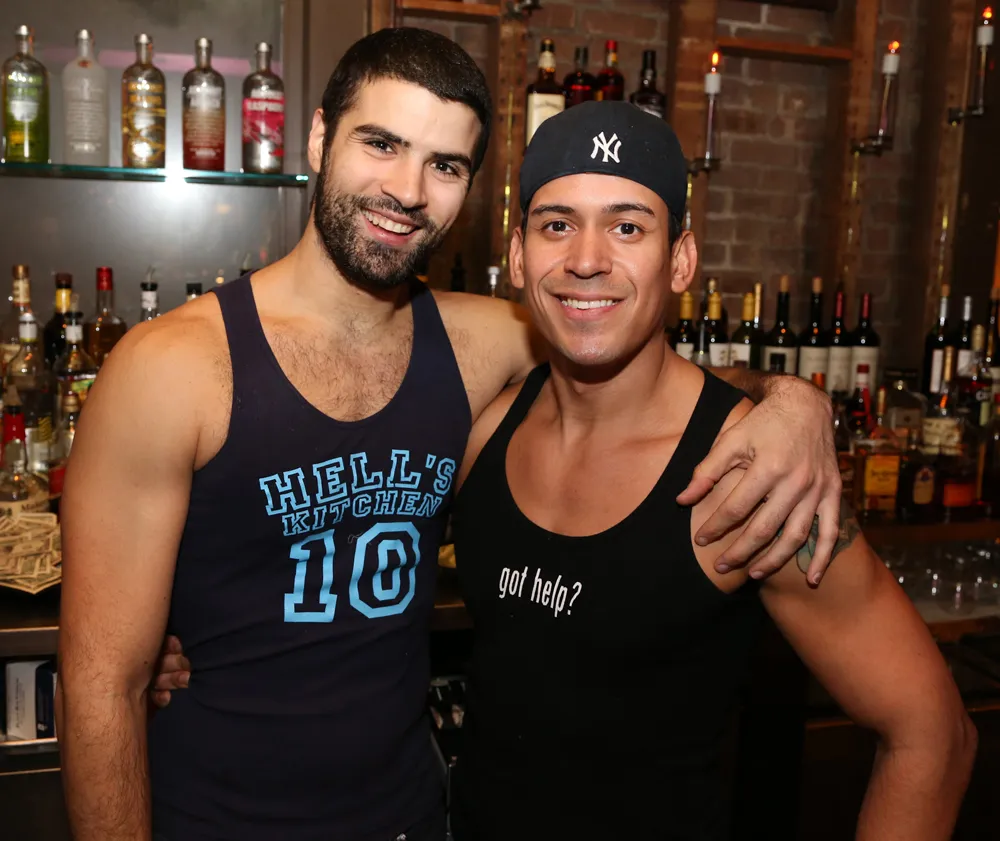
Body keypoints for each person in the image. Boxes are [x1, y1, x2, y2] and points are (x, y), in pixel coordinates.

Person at [59, 30, 839, 841]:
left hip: (412, 817)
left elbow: (639, 358)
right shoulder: (170, 369)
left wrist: (790, 400)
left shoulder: (481, 343)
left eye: (446, 165)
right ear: (320, 138)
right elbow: (100, 686)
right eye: (382, 143)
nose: (407, 190)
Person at [443, 102, 976, 840]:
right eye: (557, 224)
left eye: (628, 227)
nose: (586, 258)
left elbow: (933, 734)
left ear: (681, 261)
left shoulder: (748, 473)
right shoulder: (484, 431)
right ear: (519, 253)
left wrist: (793, 399)